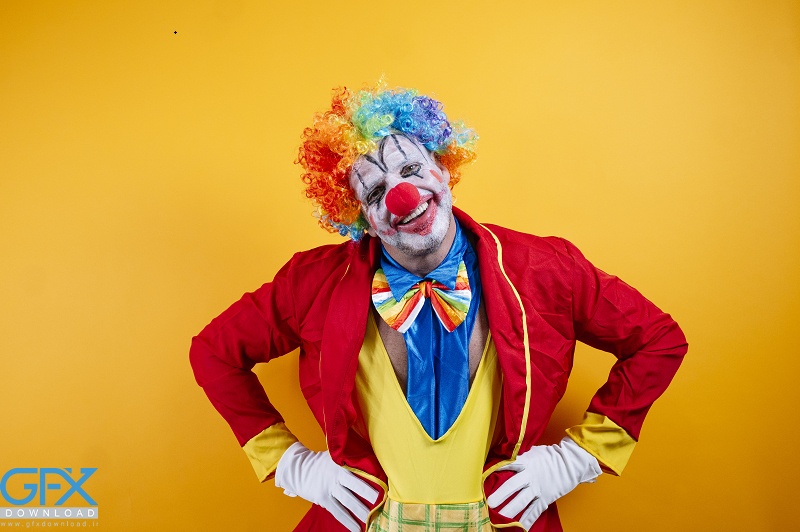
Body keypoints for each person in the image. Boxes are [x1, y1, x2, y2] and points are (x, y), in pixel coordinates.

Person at [189, 84, 688, 532]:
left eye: (410, 170)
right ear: (362, 218)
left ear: (444, 168)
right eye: (376, 191)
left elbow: (658, 340)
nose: (402, 196)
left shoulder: (545, 267)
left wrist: (577, 458)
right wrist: (292, 465)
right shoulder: (312, 282)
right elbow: (214, 352)